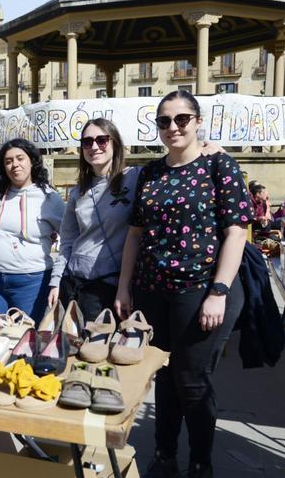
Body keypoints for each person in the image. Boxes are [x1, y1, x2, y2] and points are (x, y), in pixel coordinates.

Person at [115, 91, 252, 478]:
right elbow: (135, 234)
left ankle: (200, 462)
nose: (173, 127)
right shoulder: (152, 172)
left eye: (182, 119)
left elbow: (237, 233)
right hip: (153, 289)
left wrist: (219, 292)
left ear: (198, 121)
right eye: (164, 121)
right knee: (164, 373)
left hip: (200, 289)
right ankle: (164, 454)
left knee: (191, 379)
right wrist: (125, 288)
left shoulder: (219, 165)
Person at [48, 119, 140, 322]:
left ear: (115, 143)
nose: (94, 146)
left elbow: (174, 165)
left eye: (102, 139)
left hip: (110, 285)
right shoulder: (77, 191)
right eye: (87, 142)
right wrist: (55, 281)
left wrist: (207, 148)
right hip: (74, 283)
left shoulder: (135, 178)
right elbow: (67, 242)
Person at [0, 138, 65, 323]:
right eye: (8, 161)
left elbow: (69, 238)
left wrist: (57, 280)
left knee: (23, 341)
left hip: (31, 282)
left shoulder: (48, 198)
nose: (14, 165)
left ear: (32, 161)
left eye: (20, 158)